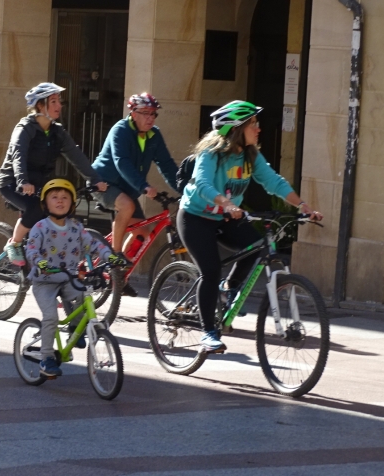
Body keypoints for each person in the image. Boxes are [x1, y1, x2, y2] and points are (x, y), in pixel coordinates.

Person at [178, 100, 322, 353]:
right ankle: (208, 333)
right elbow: (202, 183)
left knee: (256, 247)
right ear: (237, 128)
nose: (258, 129)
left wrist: (303, 206)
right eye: (253, 123)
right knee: (210, 271)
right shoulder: (211, 153)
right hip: (195, 217)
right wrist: (226, 203)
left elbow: (273, 182)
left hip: (227, 218)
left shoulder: (250, 154)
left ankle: (230, 289)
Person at [0, 82, 107, 266]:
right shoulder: (25, 128)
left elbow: (76, 156)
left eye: (59, 101)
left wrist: (95, 179)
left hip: (40, 184)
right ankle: (14, 244)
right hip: (12, 181)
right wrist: (23, 181)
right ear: (40, 105)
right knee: (36, 208)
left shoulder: (57, 132)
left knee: (60, 210)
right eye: (53, 101)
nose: (59, 106)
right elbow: (18, 155)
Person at [25, 179, 124, 377]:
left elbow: (94, 245)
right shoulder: (40, 226)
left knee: (82, 293)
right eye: (55, 197)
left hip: (67, 277)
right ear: (46, 202)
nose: (60, 201)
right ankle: (46, 359)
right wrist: (39, 262)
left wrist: (110, 256)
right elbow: (31, 249)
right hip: (44, 280)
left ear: (72, 203)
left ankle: (74, 328)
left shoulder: (76, 227)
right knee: (51, 317)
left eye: (65, 198)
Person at [91, 92, 178, 296]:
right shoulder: (120, 130)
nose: (150, 118)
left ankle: (118, 275)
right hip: (105, 183)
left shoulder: (154, 135)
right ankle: (115, 255)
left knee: (143, 232)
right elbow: (122, 162)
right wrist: (144, 186)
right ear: (133, 113)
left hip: (129, 189)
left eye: (154, 114)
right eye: (145, 113)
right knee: (127, 206)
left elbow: (166, 165)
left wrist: (184, 188)